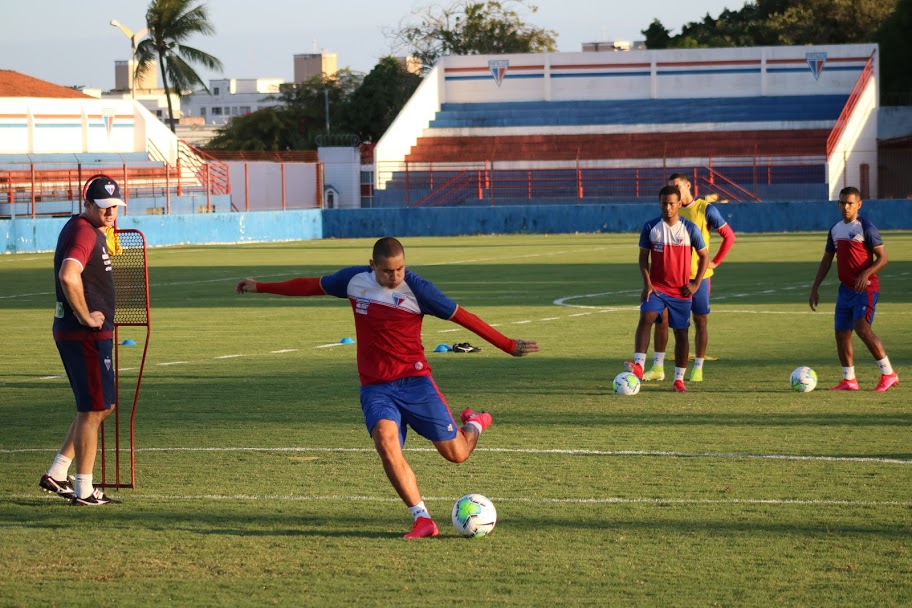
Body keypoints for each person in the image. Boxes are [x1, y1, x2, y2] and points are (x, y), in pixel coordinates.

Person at [236, 237, 539, 538]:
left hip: (416, 383)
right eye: (387, 271)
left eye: (400, 269)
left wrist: (508, 345)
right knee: (385, 440)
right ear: (373, 266)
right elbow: (310, 285)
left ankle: (475, 422)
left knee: (457, 454)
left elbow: (463, 317)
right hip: (376, 388)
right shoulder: (353, 280)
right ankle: (422, 519)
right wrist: (261, 285)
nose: (394, 277)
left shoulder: (418, 289)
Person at [40, 175, 126, 506]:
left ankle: (58, 472)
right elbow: (68, 273)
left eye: (115, 205)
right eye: (104, 207)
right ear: (87, 204)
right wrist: (86, 316)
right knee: (93, 407)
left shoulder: (91, 230)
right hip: (83, 334)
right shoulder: (81, 231)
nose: (111, 212)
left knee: (102, 405)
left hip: (89, 334)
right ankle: (84, 490)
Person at [642, 173, 736, 383]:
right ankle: (658, 367)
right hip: (671, 280)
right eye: (670, 188)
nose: (674, 191)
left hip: (698, 278)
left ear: (688, 185)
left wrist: (715, 262)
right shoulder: (669, 211)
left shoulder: (706, 209)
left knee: (700, 320)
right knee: (662, 321)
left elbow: (729, 236)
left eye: (677, 186)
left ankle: (698, 368)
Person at [809, 187, 899, 392]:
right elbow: (826, 260)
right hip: (845, 290)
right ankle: (849, 380)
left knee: (862, 329)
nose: (845, 207)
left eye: (850, 203)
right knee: (841, 333)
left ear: (859, 205)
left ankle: (889, 374)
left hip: (865, 288)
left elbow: (883, 258)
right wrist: (815, 287)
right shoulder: (835, 229)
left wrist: (865, 274)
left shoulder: (866, 227)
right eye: (842, 203)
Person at [625, 186, 709, 392]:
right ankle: (639, 365)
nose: (668, 207)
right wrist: (648, 284)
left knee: (681, 334)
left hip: (681, 291)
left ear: (679, 204)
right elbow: (643, 258)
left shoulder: (689, 229)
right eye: (664, 203)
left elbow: (705, 256)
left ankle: (678, 379)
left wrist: (696, 283)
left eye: (672, 203)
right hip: (657, 288)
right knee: (647, 317)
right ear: (659, 203)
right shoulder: (650, 227)